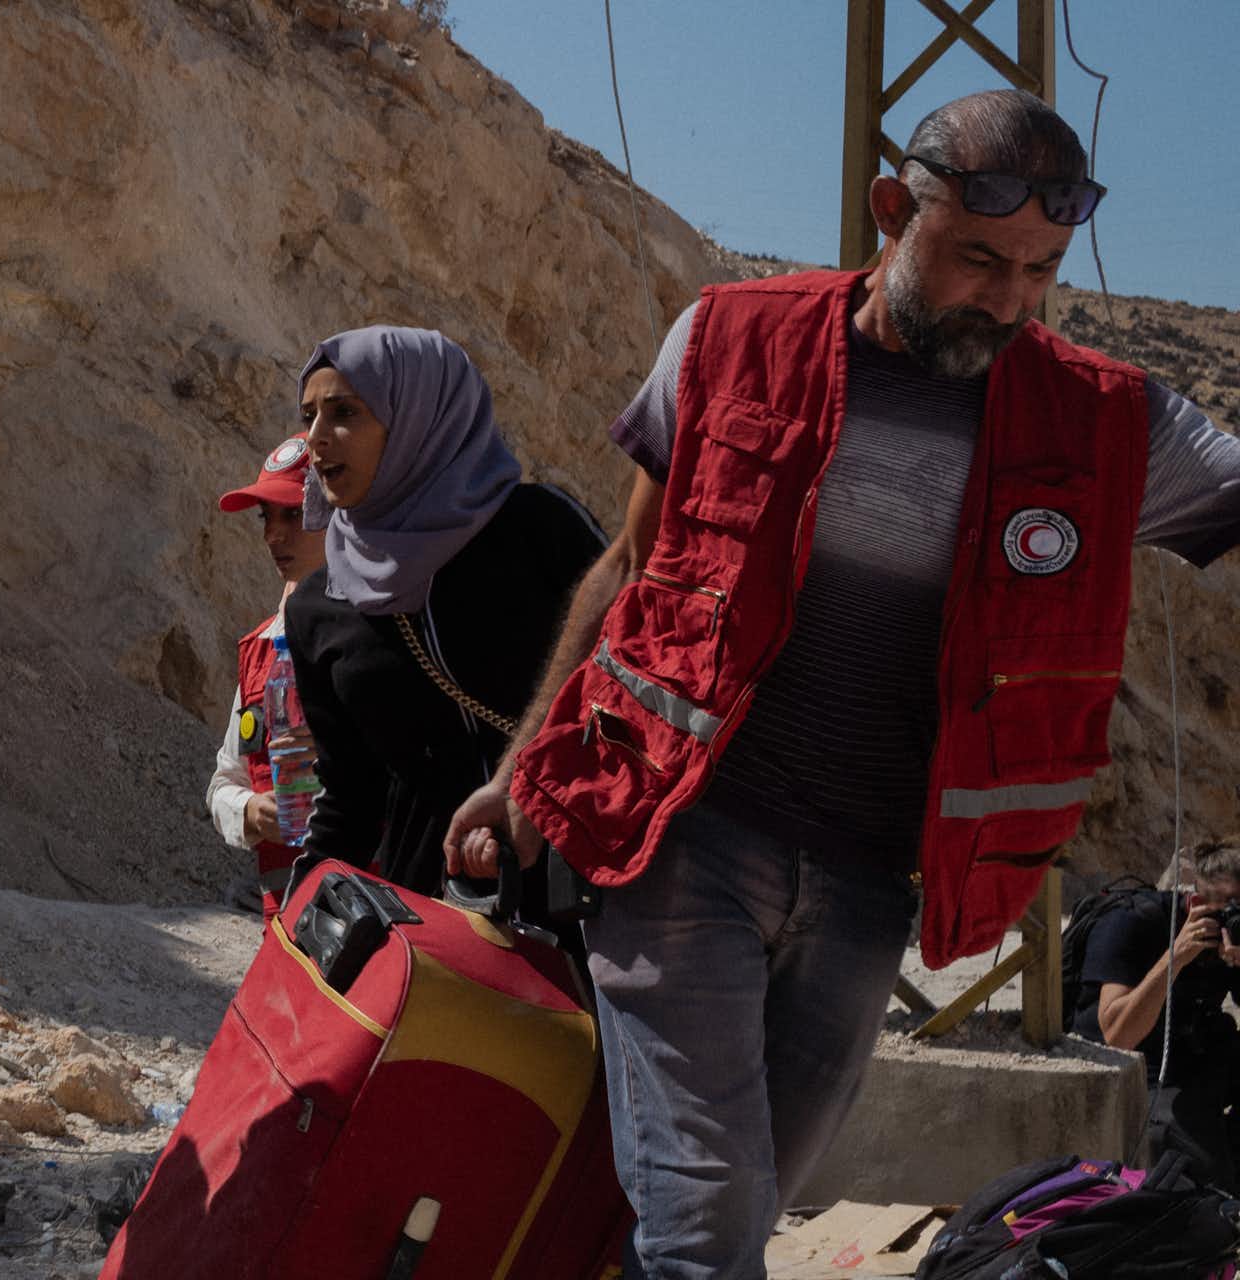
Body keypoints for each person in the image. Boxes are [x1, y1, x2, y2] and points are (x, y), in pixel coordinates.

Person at [443, 90, 1240, 1277]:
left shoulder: (1101, 422)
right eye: (977, 258)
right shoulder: (725, 337)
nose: (1009, 298)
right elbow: (627, 565)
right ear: (891, 209)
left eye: (1038, 269)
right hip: (682, 831)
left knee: (750, 1188)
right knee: (709, 1212)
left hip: (873, 877)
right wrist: (515, 772)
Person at [281, 327, 602, 897]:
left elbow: (633, 670)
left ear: (418, 418)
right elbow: (349, 799)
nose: (316, 438)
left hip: (589, 887)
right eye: (309, 416)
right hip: (431, 912)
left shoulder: (536, 529)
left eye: (344, 413)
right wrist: (302, 911)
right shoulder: (320, 605)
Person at [202, 432, 327, 913]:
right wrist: (252, 812)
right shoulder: (260, 652)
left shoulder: (384, 635)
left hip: (373, 927)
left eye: (292, 515)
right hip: (286, 929)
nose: (273, 534)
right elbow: (223, 781)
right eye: (266, 518)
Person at [1073, 837, 1240, 1186]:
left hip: (1193, 1053)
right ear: (1197, 903)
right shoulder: (1132, 922)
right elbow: (1118, 1036)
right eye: (1230, 906)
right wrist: (1176, 956)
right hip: (1135, 1069)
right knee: (1206, 1174)